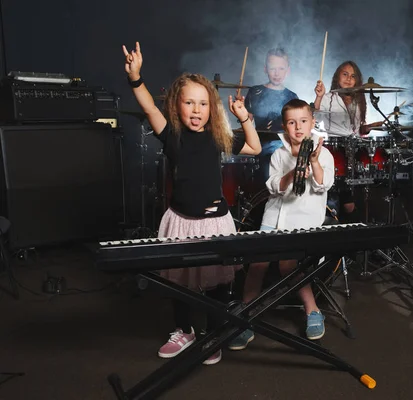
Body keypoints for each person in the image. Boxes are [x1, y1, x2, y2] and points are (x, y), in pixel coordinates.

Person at [122, 41, 261, 365]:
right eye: (189, 102)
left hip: (214, 221)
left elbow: (254, 147)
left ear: (211, 108)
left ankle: (214, 332)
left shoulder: (219, 138)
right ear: (177, 105)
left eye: (203, 103)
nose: (196, 110)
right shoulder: (171, 135)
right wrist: (135, 77)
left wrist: (244, 117)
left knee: (216, 284)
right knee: (179, 282)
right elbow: (149, 109)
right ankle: (184, 330)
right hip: (181, 220)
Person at [228, 99, 335, 350]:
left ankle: (313, 311)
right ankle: (245, 319)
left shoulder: (325, 153)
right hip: (273, 219)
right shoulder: (279, 154)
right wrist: (293, 172)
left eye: (303, 121)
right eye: (291, 122)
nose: (298, 127)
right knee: (257, 264)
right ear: (285, 127)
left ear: (312, 123)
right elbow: (275, 186)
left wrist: (314, 162)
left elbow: (323, 184)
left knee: (289, 265)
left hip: (303, 222)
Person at [313, 61, 380, 222]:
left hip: (354, 146)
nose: (349, 79)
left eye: (353, 76)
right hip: (335, 146)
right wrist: (319, 97)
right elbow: (315, 116)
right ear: (337, 77)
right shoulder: (329, 97)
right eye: (345, 74)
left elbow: (359, 129)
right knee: (340, 195)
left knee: (356, 194)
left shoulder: (360, 100)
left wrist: (368, 127)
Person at [245, 47, 299, 183]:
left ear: (288, 71)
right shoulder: (254, 92)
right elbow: (246, 123)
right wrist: (241, 113)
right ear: (265, 69)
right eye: (272, 68)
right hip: (261, 146)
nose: (276, 73)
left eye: (281, 69)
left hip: (286, 146)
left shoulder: (292, 96)